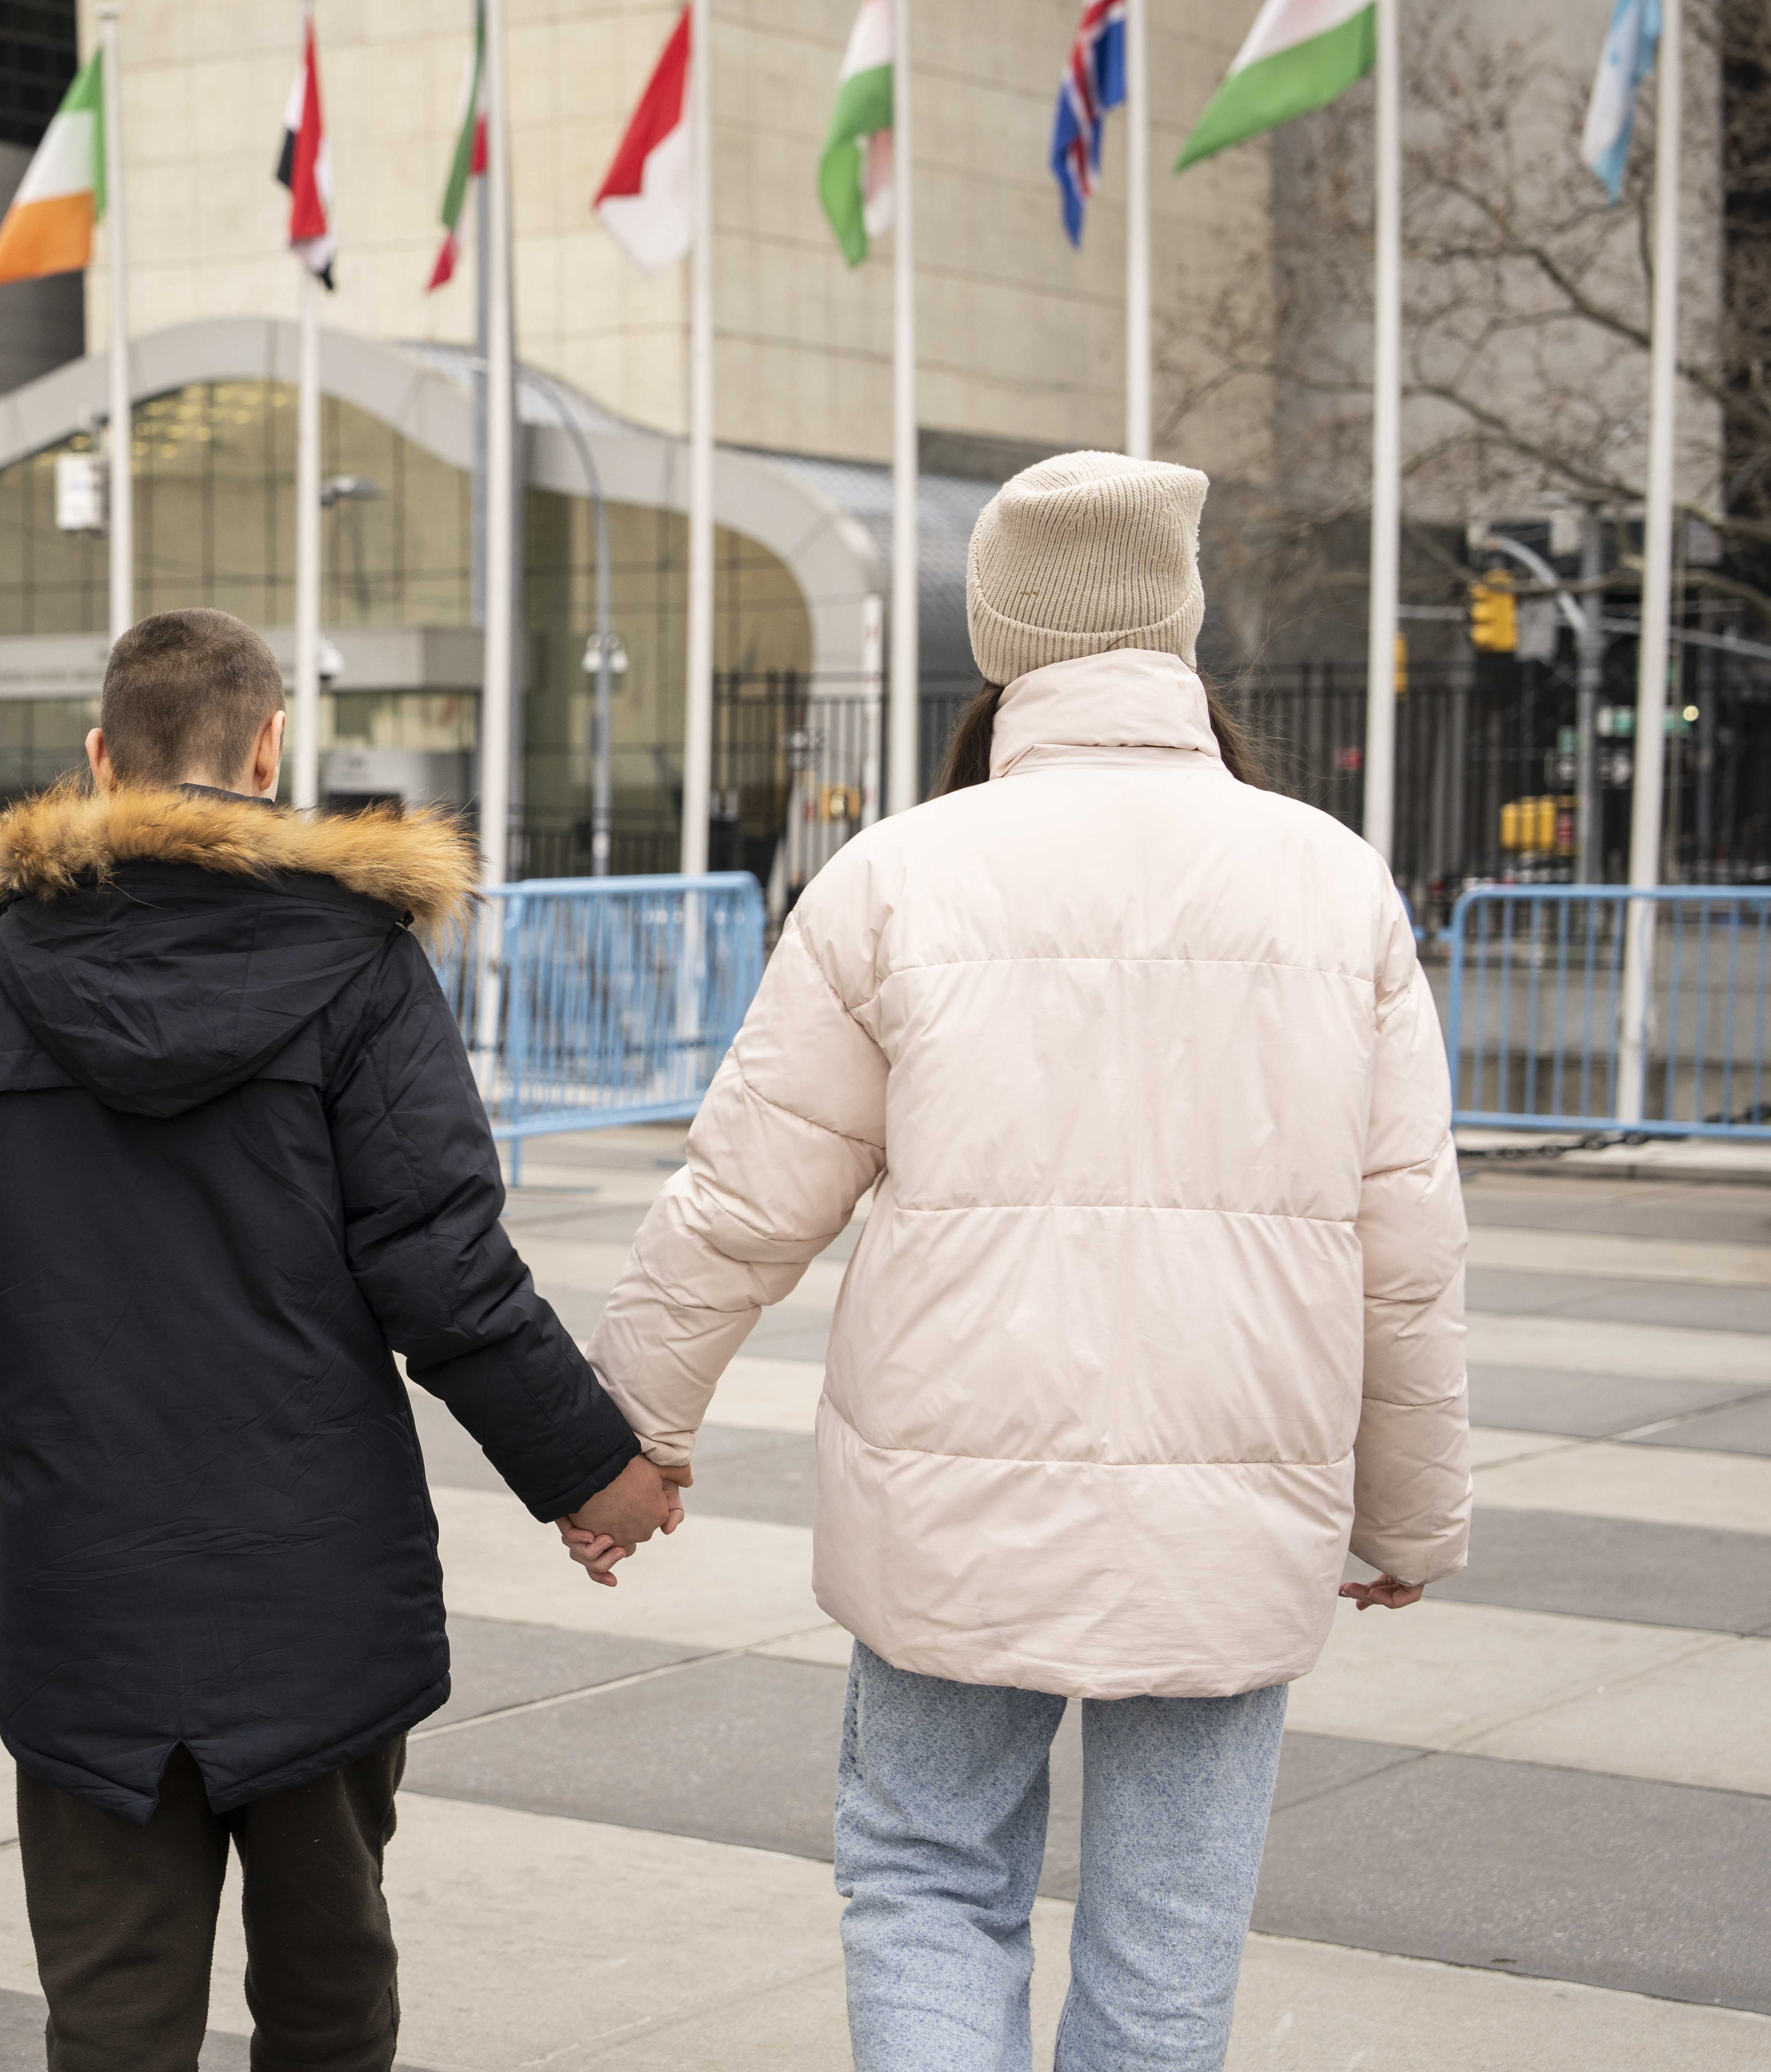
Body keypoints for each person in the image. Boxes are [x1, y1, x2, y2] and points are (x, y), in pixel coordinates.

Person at [576, 453, 1470, 2072]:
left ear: (1000, 637)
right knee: (1170, 1933)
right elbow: (1403, 1247)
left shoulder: (897, 875)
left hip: (950, 1497)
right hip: (1233, 1495)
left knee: (928, 1876)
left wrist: (625, 1433)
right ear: (1179, 619)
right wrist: (1405, 1507)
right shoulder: (1331, 883)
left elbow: (743, 1198)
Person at [0, 607, 678, 2072]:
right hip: (320, 1592)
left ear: (100, 759)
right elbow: (443, 1270)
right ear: (270, 750)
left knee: (112, 2013)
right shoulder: (362, 972)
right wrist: (592, 1471)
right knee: (329, 2000)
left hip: (90, 1595)